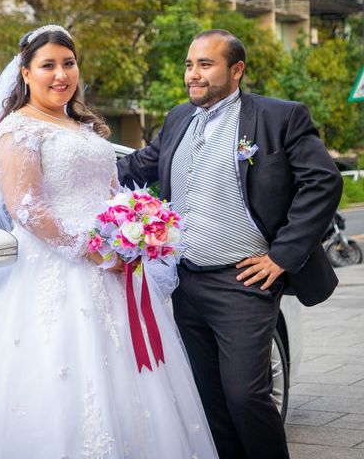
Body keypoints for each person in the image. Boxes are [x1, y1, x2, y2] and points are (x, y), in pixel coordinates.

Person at [0, 25, 219, 459]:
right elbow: (27, 208)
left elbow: (114, 193)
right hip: (55, 271)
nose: (61, 74)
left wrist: (137, 229)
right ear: (25, 72)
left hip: (114, 268)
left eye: (69, 63)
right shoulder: (17, 129)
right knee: (71, 380)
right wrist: (92, 249)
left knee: (137, 384)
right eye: (48, 65)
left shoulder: (84, 125)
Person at [117, 29, 343, 459]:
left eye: (205, 64)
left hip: (243, 281)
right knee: (209, 400)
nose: (193, 75)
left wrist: (282, 256)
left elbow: (323, 182)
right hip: (186, 283)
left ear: (236, 70)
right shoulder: (178, 119)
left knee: (246, 396)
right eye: (189, 64)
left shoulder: (280, 117)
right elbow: (137, 166)